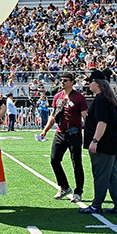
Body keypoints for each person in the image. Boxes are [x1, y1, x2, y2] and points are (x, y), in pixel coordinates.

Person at [79, 70, 117, 215]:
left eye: (90, 82)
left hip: (103, 144)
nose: (89, 85)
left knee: (100, 175)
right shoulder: (108, 98)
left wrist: (94, 141)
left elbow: (102, 122)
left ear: (97, 83)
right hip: (112, 142)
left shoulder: (100, 99)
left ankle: (96, 205)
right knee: (112, 176)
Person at [40, 72, 88, 203]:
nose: (63, 82)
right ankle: (65, 187)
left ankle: (78, 192)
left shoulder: (79, 98)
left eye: (65, 80)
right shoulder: (57, 96)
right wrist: (45, 130)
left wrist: (88, 133)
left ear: (72, 82)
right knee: (54, 160)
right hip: (60, 132)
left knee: (76, 163)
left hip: (74, 133)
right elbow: (53, 115)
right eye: (61, 80)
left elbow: (85, 117)